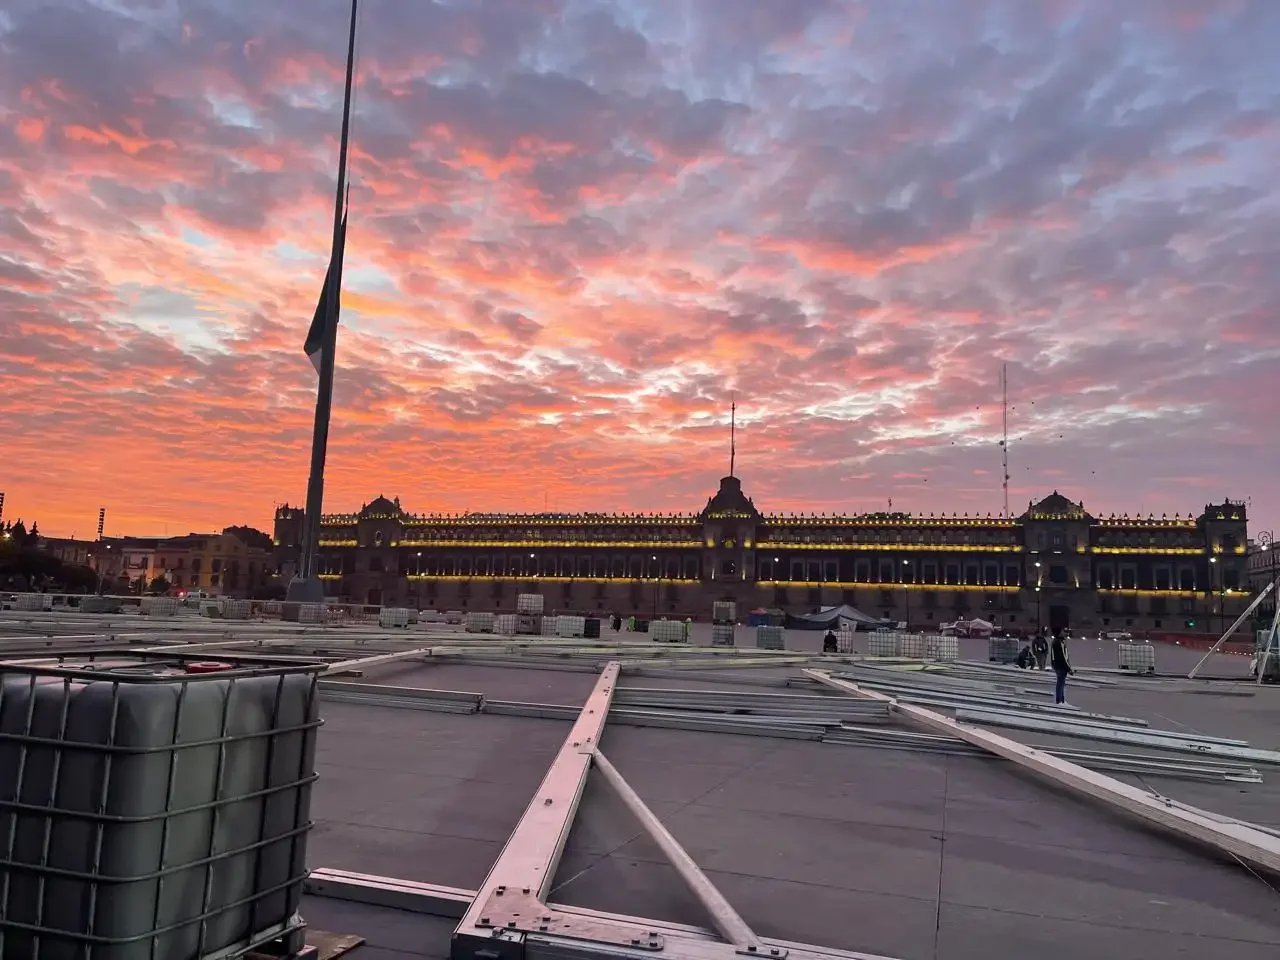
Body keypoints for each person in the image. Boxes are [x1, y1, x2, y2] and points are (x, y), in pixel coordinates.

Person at [1050, 629, 1074, 704]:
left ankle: (1061, 700)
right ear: (1059, 633)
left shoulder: (1058, 642)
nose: (1065, 633)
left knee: (1061, 683)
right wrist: (1069, 669)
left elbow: (1065, 656)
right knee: (1060, 683)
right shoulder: (1058, 643)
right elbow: (1062, 657)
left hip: (1059, 666)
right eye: (1063, 632)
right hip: (1060, 666)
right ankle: (1059, 701)